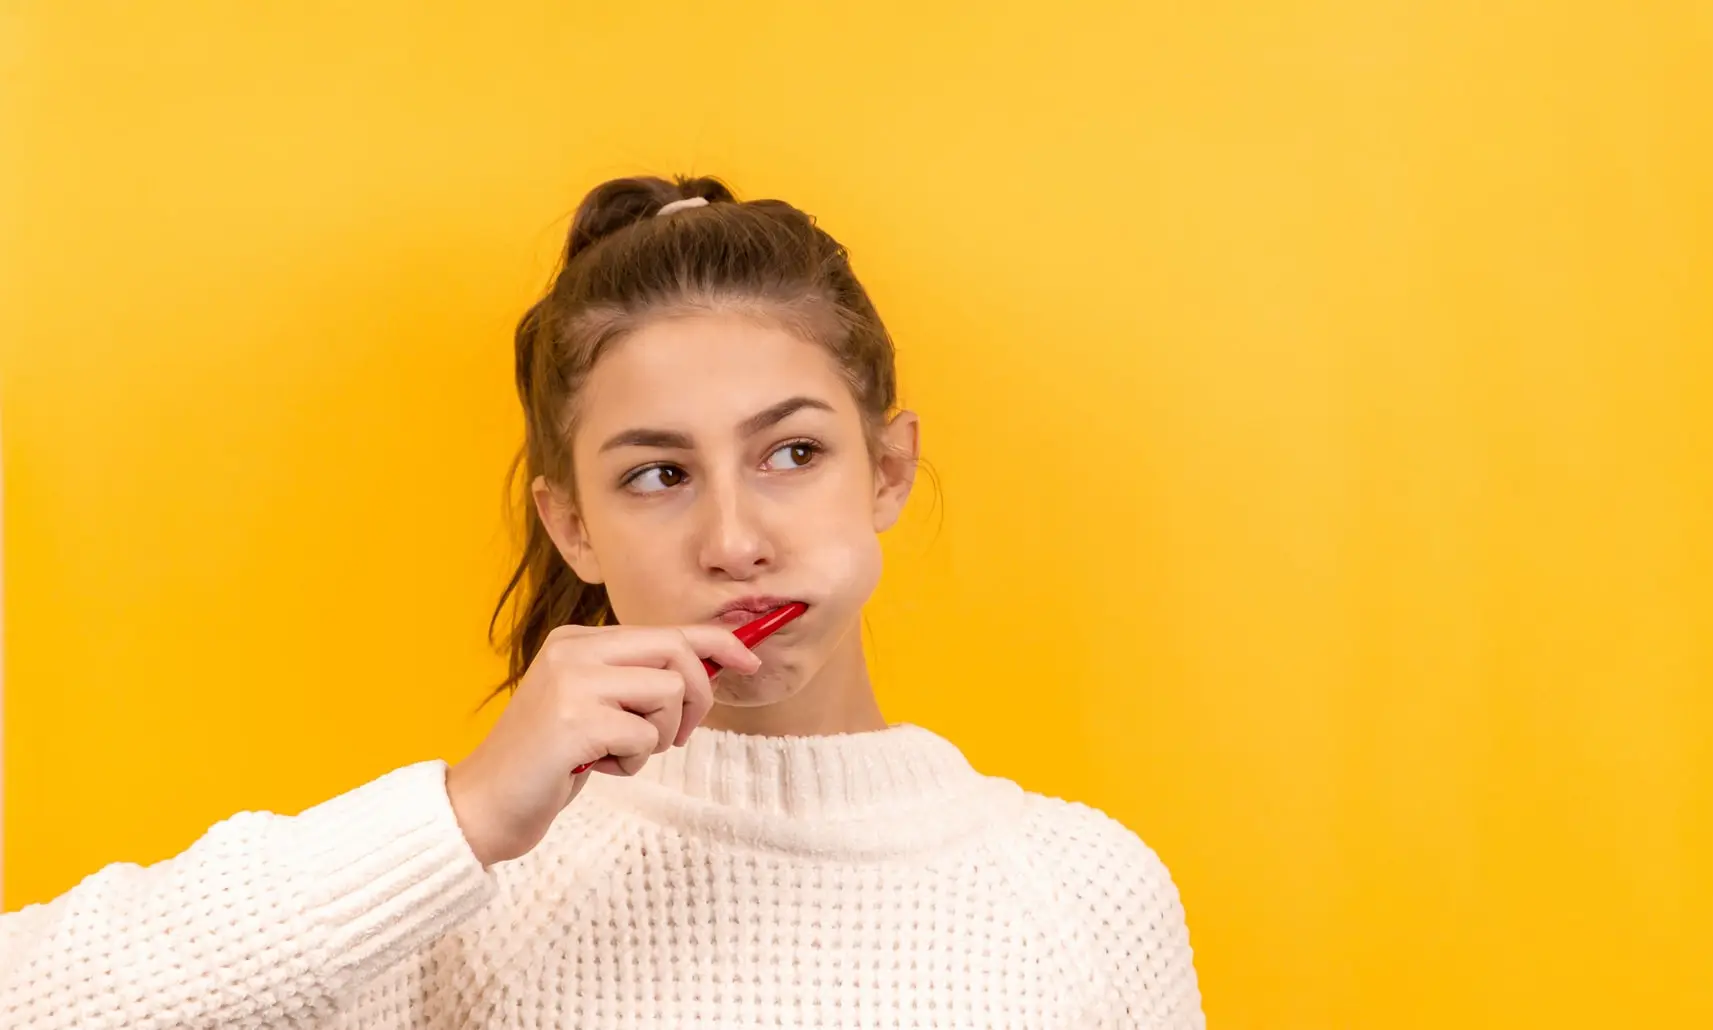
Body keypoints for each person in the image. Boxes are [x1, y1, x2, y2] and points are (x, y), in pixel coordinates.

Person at [0, 176, 1204, 1028]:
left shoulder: (1089, 888)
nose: (736, 539)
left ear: (886, 470)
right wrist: (461, 819)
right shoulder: (473, 889)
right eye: (658, 475)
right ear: (572, 523)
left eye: (791, 453)